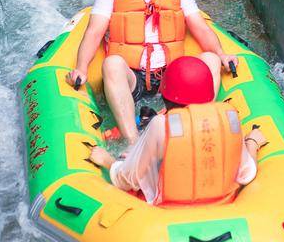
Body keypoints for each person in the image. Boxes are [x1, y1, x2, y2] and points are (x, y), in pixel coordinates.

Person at [67, 0, 239, 142]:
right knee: (111, 64)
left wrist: (222, 55)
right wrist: (82, 68)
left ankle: (187, 128)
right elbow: (94, 32)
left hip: (172, 74)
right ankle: (133, 142)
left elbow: (200, 27)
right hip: (133, 77)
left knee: (211, 60)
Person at [89, 56, 267, 205]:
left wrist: (109, 161)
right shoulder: (229, 118)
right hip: (221, 205)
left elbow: (130, 179)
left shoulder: (160, 126)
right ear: (210, 95)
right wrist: (251, 142)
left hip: (169, 211)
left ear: (165, 100)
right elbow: (247, 172)